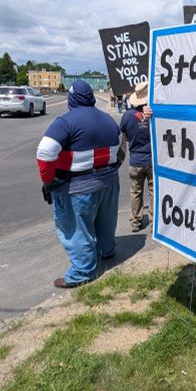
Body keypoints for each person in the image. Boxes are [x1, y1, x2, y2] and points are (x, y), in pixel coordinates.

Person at [36, 81, 124, 288]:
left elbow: (45, 152)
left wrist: (49, 181)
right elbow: (121, 149)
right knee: (106, 221)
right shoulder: (108, 119)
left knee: (77, 229)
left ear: (71, 98)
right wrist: (110, 170)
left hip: (76, 187)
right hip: (109, 182)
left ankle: (82, 272)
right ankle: (107, 250)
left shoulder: (65, 122)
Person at [120, 80, 153, 233]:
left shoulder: (127, 116)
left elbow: (123, 135)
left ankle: (136, 221)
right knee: (154, 192)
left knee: (135, 192)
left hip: (135, 160)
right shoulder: (154, 114)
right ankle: (154, 222)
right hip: (152, 160)